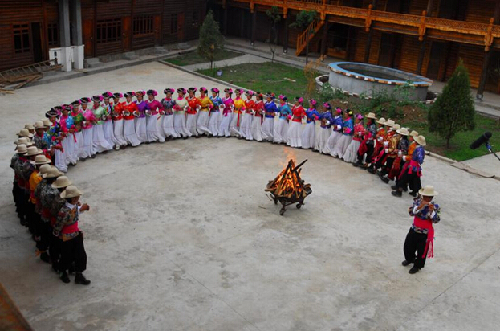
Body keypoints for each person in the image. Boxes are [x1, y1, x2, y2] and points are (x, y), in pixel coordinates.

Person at [54, 185, 91, 285]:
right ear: (73, 198)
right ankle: (63, 272)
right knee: (67, 255)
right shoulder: (64, 211)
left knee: (81, 255)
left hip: (75, 233)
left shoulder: (74, 206)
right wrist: (58, 234)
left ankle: (79, 274)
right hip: (66, 236)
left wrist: (82, 208)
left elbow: (76, 212)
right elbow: (59, 224)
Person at [402, 186, 441, 274]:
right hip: (414, 229)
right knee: (408, 247)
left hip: (425, 233)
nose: (428, 198)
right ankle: (410, 259)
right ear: (423, 196)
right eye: (426, 196)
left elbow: (436, 220)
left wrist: (431, 212)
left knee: (422, 252)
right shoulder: (417, 202)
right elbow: (411, 213)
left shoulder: (435, 206)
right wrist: (420, 207)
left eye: (430, 197)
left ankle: (417, 266)